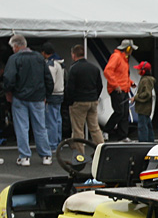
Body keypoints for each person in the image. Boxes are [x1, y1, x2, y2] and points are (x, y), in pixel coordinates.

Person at [2, 34, 53, 166]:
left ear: (16, 46)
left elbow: (9, 78)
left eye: (13, 47)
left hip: (19, 98)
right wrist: (46, 94)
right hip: (38, 98)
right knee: (41, 127)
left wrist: (8, 92)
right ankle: (46, 155)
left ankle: (25, 157)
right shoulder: (39, 58)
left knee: (22, 127)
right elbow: (48, 78)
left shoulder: (14, 59)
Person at [64, 44, 105, 148]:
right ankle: (102, 150)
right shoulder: (94, 68)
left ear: (74, 55)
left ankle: (80, 157)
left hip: (79, 102)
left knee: (78, 130)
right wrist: (95, 96)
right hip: (93, 101)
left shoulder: (74, 68)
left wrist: (69, 101)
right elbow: (100, 85)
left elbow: (70, 88)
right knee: (95, 128)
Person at [103, 39, 138, 142]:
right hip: (117, 90)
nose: (131, 51)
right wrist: (115, 85)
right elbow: (107, 71)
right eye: (131, 49)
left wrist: (130, 83)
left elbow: (121, 75)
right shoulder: (117, 57)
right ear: (127, 49)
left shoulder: (124, 58)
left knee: (124, 113)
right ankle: (106, 130)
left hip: (124, 89)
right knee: (119, 112)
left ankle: (123, 136)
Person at [41, 42, 64, 150]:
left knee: (51, 121)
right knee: (57, 119)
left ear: (44, 53)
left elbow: (50, 81)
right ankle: (58, 142)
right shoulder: (60, 62)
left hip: (52, 94)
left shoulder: (50, 64)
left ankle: (52, 144)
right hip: (60, 93)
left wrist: (46, 95)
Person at [133, 61, 156, 142]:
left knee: (142, 127)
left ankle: (143, 142)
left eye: (139, 69)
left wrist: (136, 97)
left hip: (143, 108)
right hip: (145, 108)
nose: (138, 71)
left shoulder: (145, 80)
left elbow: (146, 94)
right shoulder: (147, 79)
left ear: (143, 71)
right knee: (148, 125)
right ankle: (150, 141)